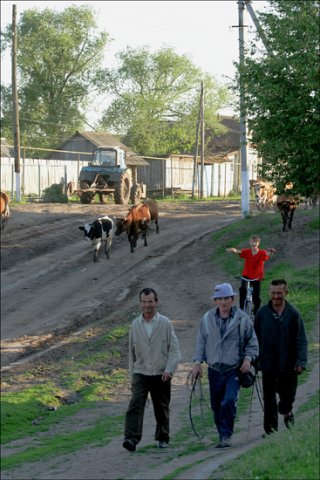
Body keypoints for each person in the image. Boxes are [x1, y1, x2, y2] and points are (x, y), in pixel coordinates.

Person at [192, 283, 259, 448]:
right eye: (219, 299)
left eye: (226, 298)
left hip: (233, 369)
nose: (223, 302)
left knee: (228, 401)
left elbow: (252, 342)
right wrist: (197, 363)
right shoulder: (207, 319)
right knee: (216, 405)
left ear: (232, 299)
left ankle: (226, 435)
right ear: (215, 301)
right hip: (214, 370)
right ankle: (222, 432)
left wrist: (248, 359)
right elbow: (201, 342)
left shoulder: (242, 319)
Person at [123, 287, 181, 452]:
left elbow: (174, 350)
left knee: (161, 406)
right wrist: (131, 377)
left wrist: (169, 370)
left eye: (150, 302)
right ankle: (131, 439)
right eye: (144, 302)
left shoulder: (165, 323)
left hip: (161, 372)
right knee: (135, 404)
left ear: (156, 302)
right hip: (141, 371)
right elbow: (131, 353)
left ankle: (163, 437)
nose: (147, 305)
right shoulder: (135, 325)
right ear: (140, 303)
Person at [254, 279, 308, 435]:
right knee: (269, 399)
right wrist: (255, 360)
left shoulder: (293, 314)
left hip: (288, 364)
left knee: (287, 397)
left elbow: (301, 339)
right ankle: (271, 431)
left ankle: (287, 411)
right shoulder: (261, 314)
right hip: (268, 364)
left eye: (279, 293)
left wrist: (301, 361)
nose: (276, 296)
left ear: (286, 293)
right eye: (273, 293)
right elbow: (254, 339)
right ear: (269, 293)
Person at [226, 235, 276, 315]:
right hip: (246, 275)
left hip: (256, 277)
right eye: (252, 242)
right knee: (242, 289)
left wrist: (270, 252)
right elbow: (239, 251)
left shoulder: (261, 253)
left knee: (257, 298)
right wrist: (233, 250)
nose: (254, 244)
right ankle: (242, 308)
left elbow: (267, 254)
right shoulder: (247, 252)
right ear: (250, 242)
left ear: (258, 243)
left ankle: (256, 314)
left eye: (255, 242)